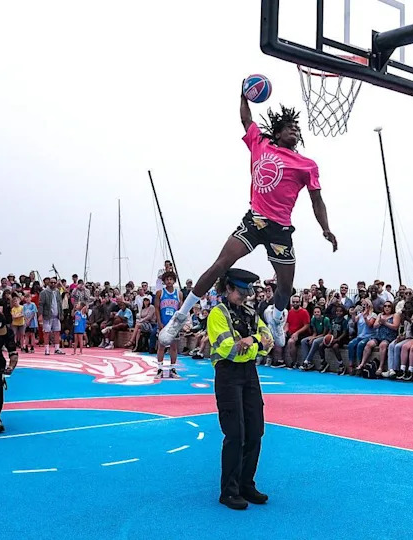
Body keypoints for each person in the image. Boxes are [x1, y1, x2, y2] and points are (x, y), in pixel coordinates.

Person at [158, 87, 337, 351]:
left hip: (280, 229)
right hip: (255, 220)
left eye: (297, 129)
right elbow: (246, 120)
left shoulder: (306, 164)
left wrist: (326, 228)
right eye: (289, 128)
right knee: (221, 264)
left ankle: (276, 318)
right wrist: (243, 97)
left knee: (285, 287)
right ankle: (180, 315)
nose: (294, 132)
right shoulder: (260, 143)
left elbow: (316, 200)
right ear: (277, 132)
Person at [204, 268, 273, 510]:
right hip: (228, 374)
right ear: (228, 288)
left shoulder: (251, 312)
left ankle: (246, 484)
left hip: (249, 374)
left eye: (247, 292)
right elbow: (228, 349)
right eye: (241, 292)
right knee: (236, 434)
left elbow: (269, 341)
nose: (245, 296)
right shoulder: (217, 314)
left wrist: (251, 341)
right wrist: (255, 343)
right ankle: (229, 491)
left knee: (255, 430)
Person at [155, 272, 183, 376]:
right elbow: (157, 308)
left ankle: (173, 369)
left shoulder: (178, 293)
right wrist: (159, 322)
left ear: (174, 281)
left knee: (173, 347)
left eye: (171, 279)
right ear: (164, 281)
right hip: (163, 323)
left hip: (173, 324)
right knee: (161, 346)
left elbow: (181, 310)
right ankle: (160, 369)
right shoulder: (160, 293)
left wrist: (179, 324)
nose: (169, 281)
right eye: (167, 279)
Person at [39, 276, 65, 355]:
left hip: (56, 315)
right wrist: (40, 315)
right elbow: (41, 304)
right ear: (48, 283)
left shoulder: (57, 292)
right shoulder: (44, 292)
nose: (53, 284)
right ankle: (47, 349)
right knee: (46, 332)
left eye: (54, 282)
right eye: (51, 282)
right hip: (47, 315)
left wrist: (61, 313)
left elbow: (60, 304)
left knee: (57, 332)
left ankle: (57, 348)